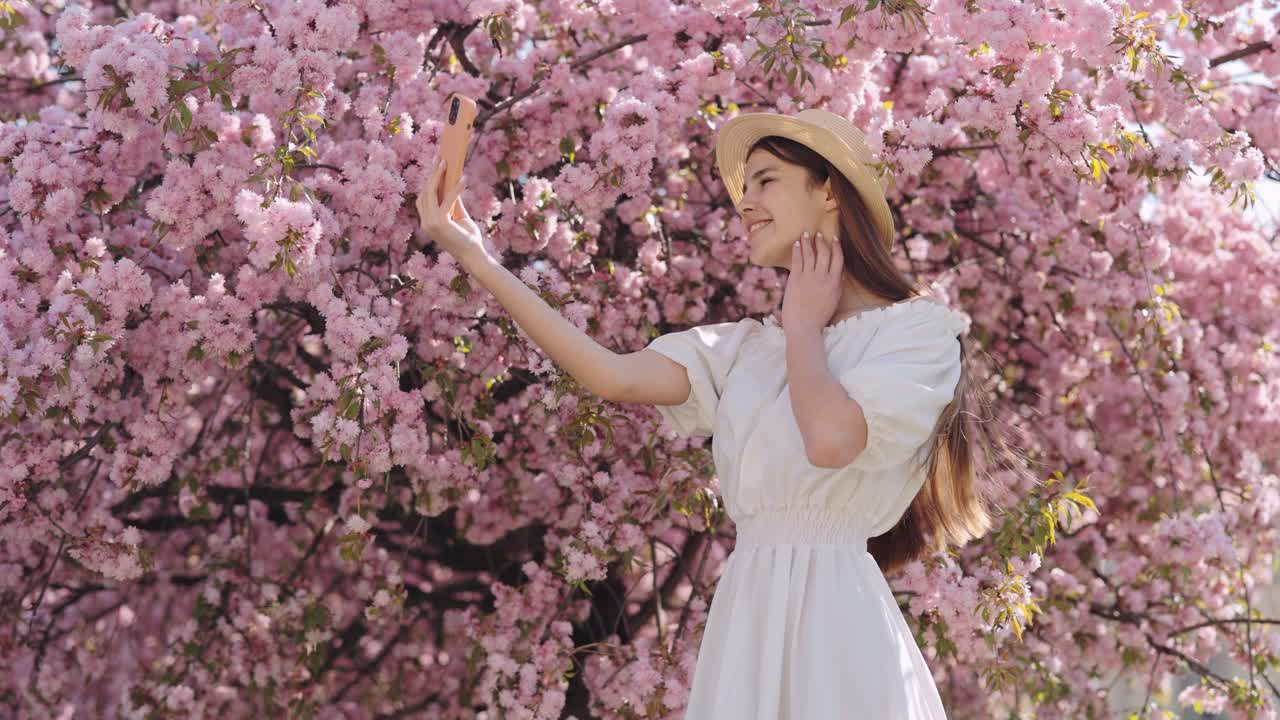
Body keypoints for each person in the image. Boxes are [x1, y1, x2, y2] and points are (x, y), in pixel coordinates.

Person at [417, 107, 995, 719]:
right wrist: (475, 255)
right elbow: (610, 374)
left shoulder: (916, 333)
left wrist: (803, 327)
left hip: (836, 618)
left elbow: (830, 440)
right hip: (748, 614)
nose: (744, 204)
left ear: (829, 189)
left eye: (766, 180)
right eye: (745, 190)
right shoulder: (747, 348)